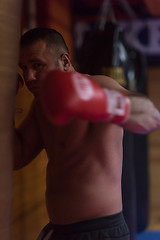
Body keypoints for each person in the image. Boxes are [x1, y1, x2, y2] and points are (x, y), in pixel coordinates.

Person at [15, 27, 160, 240]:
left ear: (65, 61)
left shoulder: (99, 86)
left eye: (37, 65)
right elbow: (17, 156)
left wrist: (103, 103)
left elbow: (152, 116)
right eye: (24, 68)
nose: (29, 77)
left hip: (101, 232)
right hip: (60, 231)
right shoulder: (41, 104)